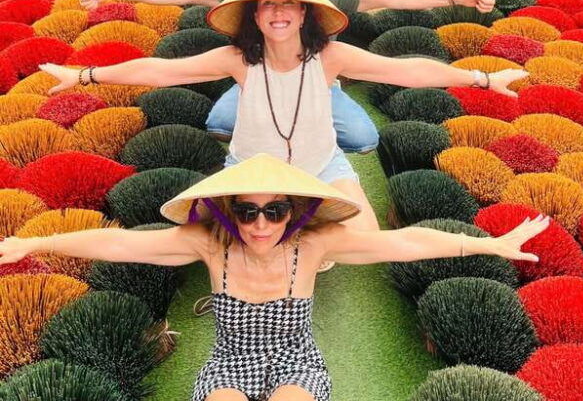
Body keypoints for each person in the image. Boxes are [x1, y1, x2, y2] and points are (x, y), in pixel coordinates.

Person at [0, 153, 550, 401]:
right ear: (225, 211)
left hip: (296, 360)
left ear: (296, 211)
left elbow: (403, 242)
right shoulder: (207, 244)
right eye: (247, 211)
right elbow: (120, 243)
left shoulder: (313, 246)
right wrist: (35, 240)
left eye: (276, 210)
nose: (261, 224)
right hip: (228, 362)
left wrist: (488, 243)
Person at [43, 0, 525, 232]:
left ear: (304, 13)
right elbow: (161, 71)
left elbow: (405, 70)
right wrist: (85, 74)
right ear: (254, 16)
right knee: (236, 242)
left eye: (288, 4)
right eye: (266, 5)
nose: (277, 13)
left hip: (322, 163)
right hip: (253, 169)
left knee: (361, 240)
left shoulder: (331, 56)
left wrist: (482, 79)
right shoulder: (236, 59)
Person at [78, 0, 496, 152]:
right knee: (219, 124)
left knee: (364, 139)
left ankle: (305, 145)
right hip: (254, 79)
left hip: (317, 84)